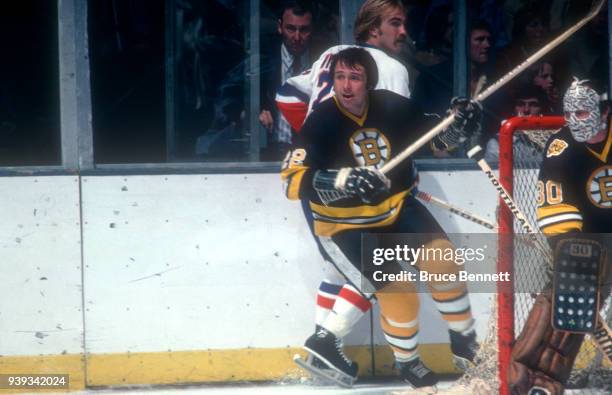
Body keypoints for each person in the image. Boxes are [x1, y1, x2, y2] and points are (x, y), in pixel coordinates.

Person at [281, 47, 482, 389]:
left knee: (444, 262)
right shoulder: (322, 121)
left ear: (368, 82)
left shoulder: (393, 106)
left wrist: (458, 125)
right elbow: (291, 180)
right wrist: (344, 181)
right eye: (340, 77)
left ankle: (464, 342)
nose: (345, 86)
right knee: (400, 291)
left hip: (397, 211)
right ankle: (408, 364)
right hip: (345, 227)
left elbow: (438, 143)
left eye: (355, 78)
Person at [276, 1, 411, 376]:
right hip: (357, 188)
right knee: (382, 270)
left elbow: (286, 94)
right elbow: (396, 132)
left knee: (339, 270)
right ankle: (325, 341)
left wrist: (316, 135)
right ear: (372, 30)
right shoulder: (390, 69)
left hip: (316, 183)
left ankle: (320, 357)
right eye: (395, 24)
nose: (403, 32)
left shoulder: (331, 56)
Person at [508, 79, 611, 394]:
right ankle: (535, 377)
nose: (572, 120)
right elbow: (556, 210)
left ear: (604, 112)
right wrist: (572, 257)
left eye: (581, 113)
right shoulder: (561, 146)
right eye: (569, 113)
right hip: (587, 236)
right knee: (568, 296)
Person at [259, 1, 316, 159]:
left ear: (312, 29)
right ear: (280, 27)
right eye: (291, 28)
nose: (297, 37)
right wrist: (256, 109)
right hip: (273, 151)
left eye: (304, 30)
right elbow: (236, 93)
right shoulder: (263, 59)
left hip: (312, 152)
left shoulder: (323, 61)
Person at [484, 83, 549, 162]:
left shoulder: (551, 139)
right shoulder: (498, 143)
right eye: (521, 104)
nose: (526, 110)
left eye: (533, 105)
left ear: (541, 110)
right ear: (513, 110)